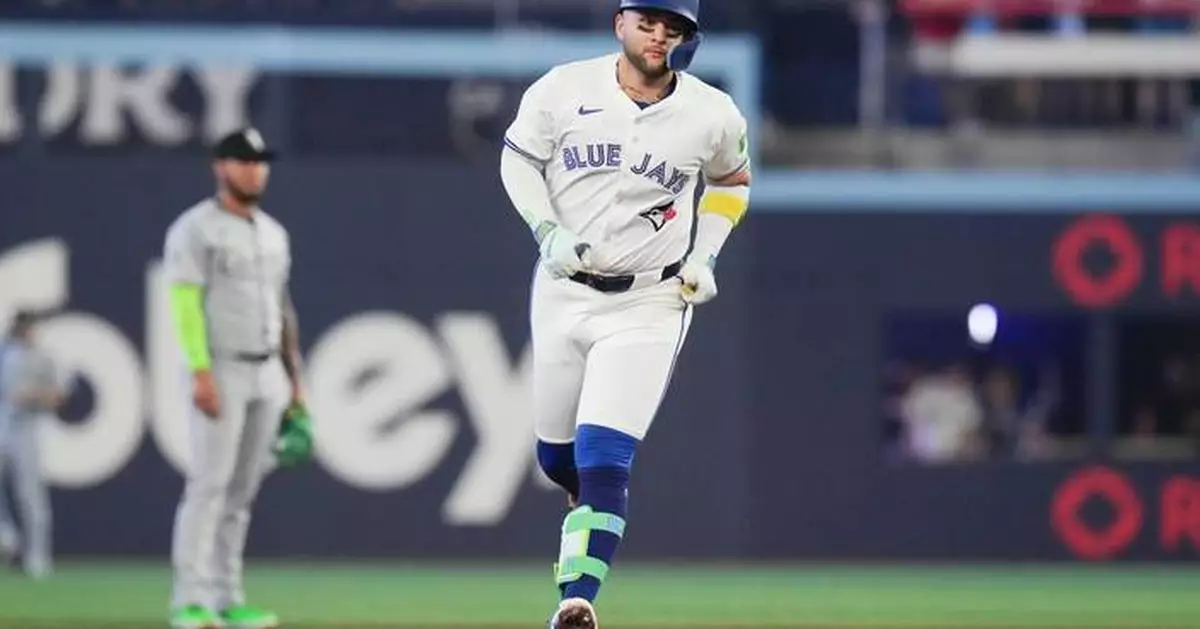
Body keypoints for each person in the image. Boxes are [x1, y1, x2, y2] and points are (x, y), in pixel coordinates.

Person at [498, 1, 751, 627]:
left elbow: (732, 180)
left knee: (604, 456)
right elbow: (518, 161)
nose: (659, 36)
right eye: (648, 22)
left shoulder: (711, 112)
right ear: (620, 24)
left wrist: (707, 254)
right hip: (563, 288)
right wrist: (546, 230)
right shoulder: (563, 88)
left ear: (689, 37)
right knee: (556, 460)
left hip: (651, 300)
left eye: (674, 28)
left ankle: (576, 598)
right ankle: (581, 518)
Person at [163, 128, 312, 629]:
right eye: (243, 160)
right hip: (222, 366)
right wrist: (199, 369)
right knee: (208, 486)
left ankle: (228, 598)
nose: (254, 169)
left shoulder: (273, 232)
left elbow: (283, 309)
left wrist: (296, 381)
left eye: (260, 161)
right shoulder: (195, 229)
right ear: (220, 166)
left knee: (242, 493)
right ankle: (190, 600)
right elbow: (185, 305)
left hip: (268, 367)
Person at [0, 309, 66, 580]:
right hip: (4, 427)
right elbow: (14, 396)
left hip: (28, 432)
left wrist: (33, 396)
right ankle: (6, 533)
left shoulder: (44, 359)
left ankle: (37, 557)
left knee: (31, 497)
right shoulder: (6, 354)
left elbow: (57, 397)